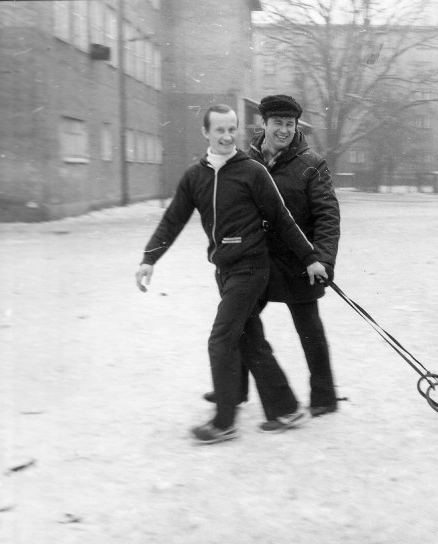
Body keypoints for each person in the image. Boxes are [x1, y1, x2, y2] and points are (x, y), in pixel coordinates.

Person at [134, 104, 328, 444]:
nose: (227, 136)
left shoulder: (252, 171)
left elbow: (283, 219)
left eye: (232, 129)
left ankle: (224, 421)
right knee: (249, 339)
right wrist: (150, 257)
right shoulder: (195, 176)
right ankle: (285, 408)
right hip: (223, 270)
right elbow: (173, 219)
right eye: (220, 130)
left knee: (221, 339)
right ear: (206, 133)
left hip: (251, 268)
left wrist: (311, 257)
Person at [202, 94, 342, 417]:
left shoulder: (312, 165)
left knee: (310, 331)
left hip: (298, 263)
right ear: (263, 124)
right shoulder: (244, 161)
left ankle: (324, 396)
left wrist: (323, 259)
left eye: (289, 124)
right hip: (257, 262)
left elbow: (327, 217)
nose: (283, 130)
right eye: (277, 123)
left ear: (296, 127)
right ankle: (233, 389)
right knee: (240, 324)